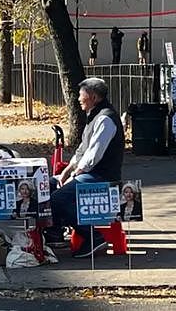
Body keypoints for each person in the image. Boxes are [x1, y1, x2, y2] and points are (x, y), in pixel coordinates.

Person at [45, 77, 124, 258]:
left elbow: (93, 155)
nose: (78, 99)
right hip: (90, 172)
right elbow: (83, 149)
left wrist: (75, 174)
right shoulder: (94, 116)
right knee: (48, 184)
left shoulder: (106, 119)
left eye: (82, 95)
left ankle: (93, 237)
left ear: (94, 97)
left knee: (58, 199)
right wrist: (66, 171)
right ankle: (54, 232)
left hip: (102, 176)